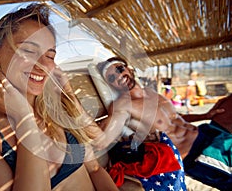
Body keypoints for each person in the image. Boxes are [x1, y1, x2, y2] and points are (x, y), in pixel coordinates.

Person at [0, 3, 120, 191]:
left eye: (50, 56)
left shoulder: (57, 113)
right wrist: (24, 120)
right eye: (28, 50)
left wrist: (67, 94)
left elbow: (94, 170)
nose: (42, 65)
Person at [97, 57, 231, 190]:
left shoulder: (151, 92)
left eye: (120, 69)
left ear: (129, 69)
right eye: (112, 78)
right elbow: (103, 140)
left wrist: (205, 115)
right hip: (196, 154)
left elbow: (177, 117)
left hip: (208, 133)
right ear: (111, 85)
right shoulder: (123, 105)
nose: (118, 76)